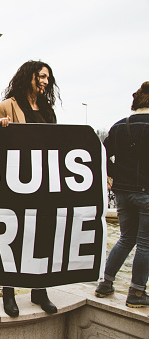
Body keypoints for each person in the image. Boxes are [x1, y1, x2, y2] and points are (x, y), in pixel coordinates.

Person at [0, 60, 60, 317]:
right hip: (15, 183)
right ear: (28, 77)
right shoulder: (7, 106)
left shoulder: (47, 109)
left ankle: (39, 290)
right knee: (13, 237)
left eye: (47, 78)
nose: (45, 81)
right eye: (41, 76)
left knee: (41, 237)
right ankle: (8, 293)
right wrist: (0, 131)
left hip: (42, 182)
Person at [95, 81, 149, 308]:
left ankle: (105, 283)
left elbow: (102, 155)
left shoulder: (118, 126)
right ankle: (137, 292)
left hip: (122, 193)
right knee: (145, 243)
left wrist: (115, 176)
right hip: (146, 192)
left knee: (126, 239)